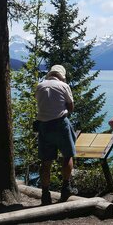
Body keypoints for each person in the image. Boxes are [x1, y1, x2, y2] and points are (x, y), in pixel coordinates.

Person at [35, 64, 77, 205]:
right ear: (62, 76)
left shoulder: (39, 86)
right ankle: (66, 187)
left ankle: (45, 193)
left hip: (43, 126)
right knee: (67, 156)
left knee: (45, 162)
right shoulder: (64, 86)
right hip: (60, 124)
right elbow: (71, 107)